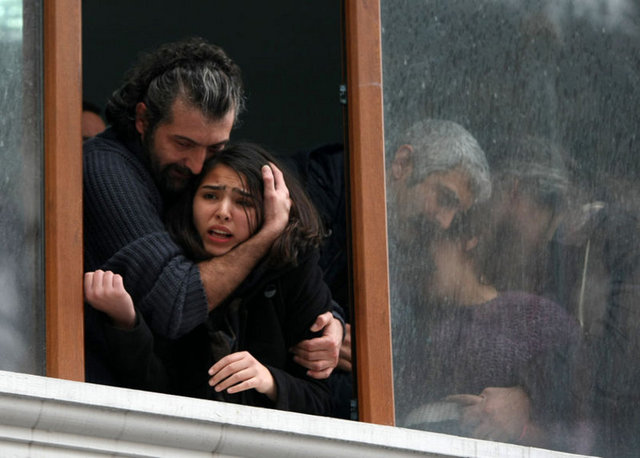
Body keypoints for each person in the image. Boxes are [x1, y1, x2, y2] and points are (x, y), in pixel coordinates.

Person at [83, 37, 343, 385]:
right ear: (143, 119)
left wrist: (329, 319)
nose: (197, 165)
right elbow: (177, 303)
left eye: (215, 148)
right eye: (183, 143)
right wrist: (269, 233)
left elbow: (256, 273)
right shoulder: (107, 170)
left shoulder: (178, 173)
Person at [85, 144, 336, 414]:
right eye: (210, 196)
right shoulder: (172, 269)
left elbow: (323, 402)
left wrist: (270, 381)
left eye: (243, 202)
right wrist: (126, 323)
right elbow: (155, 388)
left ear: (270, 210)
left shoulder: (295, 269)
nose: (223, 212)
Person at [483, 135, 640, 457]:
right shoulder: (551, 256)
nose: (491, 224)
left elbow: (621, 361)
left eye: (492, 203)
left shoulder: (613, 238)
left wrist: (529, 394)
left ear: (512, 191)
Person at [397, 208, 592, 453]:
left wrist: (523, 422)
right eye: (409, 249)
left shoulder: (533, 317)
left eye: (428, 241)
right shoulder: (407, 330)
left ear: (467, 239)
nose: (417, 258)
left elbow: (582, 432)